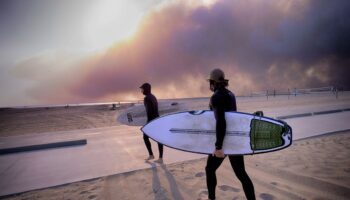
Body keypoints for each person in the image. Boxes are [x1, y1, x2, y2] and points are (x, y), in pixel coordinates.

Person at [205, 69, 255, 200]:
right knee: (242, 174)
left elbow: (221, 121)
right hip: (235, 140)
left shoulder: (216, 97)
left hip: (224, 141)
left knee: (209, 169)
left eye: (210, 82)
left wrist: (218, 147)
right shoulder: (230, 94)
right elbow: (232, 118)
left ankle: (211, 198)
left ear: (213, 82)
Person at [140, 83, 164, 162]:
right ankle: (160, 158)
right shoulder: (153, 97)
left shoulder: (147, 98)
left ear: (146, 89)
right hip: (157, 120)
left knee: (145, 137)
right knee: (158, 139)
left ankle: (151, 155)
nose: (141, 90)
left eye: (142, 89)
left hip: (152, 121)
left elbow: (149, 112)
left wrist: (147, 124)